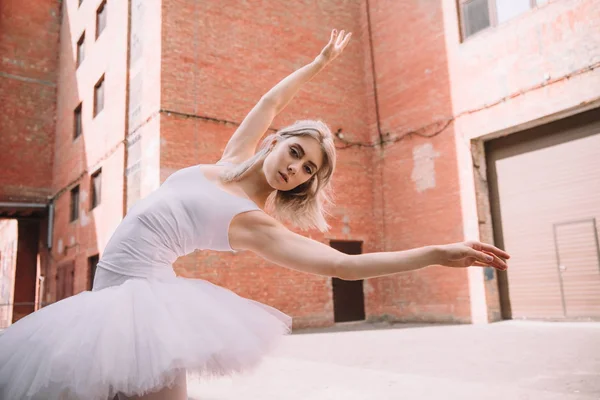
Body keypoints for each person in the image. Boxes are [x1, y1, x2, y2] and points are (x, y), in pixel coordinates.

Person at [0, 29, 509, 400]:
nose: (297, 169)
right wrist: (318, 64)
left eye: (309, 169)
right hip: (109, 298)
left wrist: (437, 254)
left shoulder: (254, 222)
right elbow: (269, 100)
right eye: (296, 153)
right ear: (275, 142)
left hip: (140, 304)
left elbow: (345, 266)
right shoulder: (230, 160)